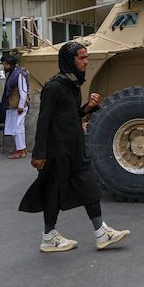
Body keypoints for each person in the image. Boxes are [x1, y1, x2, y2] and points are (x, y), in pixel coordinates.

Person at [19, 41, 130, 252]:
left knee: (88, 186)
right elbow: (44, 121)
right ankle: (51, 236)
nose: (86, 62)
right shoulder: (53, 87)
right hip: (58, 151)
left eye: (87, 57)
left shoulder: (71, 85)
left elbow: (69, 116)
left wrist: (87, 108)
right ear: (70, 60)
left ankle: (99, 232)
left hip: (74, 148)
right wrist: (39, 154)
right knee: (54, 192)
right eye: (82, 57)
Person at [0, 54, 29, 159]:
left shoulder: (19, 74)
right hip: (12, 105)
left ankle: (21, 151)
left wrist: (21, 105)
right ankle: (21, 149)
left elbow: (23, 90)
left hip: (18, 106)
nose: (4, 66)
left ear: (11, 65)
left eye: (6, 64)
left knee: (18, 128)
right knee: (15, 128)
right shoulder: (12, 74)